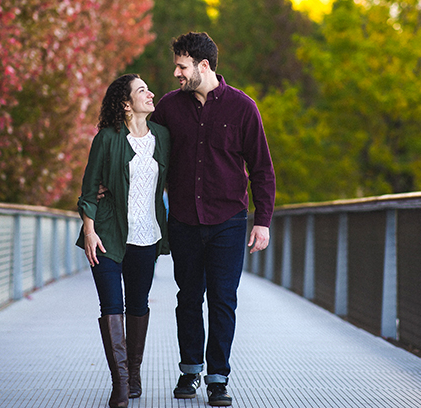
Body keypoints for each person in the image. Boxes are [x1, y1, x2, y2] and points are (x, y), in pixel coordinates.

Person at [151, 32, 275, 407]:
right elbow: (141, 147)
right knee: (188, 298)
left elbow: (262, 169)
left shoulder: (243, 108)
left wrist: (262, 220)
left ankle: (218, 378)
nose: (176, 72)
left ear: (203, 66)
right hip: (185, 219)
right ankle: (190, 370)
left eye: (181, 65)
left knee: (223, 299)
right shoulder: (170, 108)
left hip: (229, 220)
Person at [76, 74, 171, 408]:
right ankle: (120, 384)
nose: (151, 93)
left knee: (138, 304)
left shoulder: (162, 137)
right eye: (142, 90)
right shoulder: (106, 138)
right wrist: (89, 231)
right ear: (126, 104)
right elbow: (89, 190)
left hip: (146, 236)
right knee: (111, 305)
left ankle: (134, 371)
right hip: (107, 235)